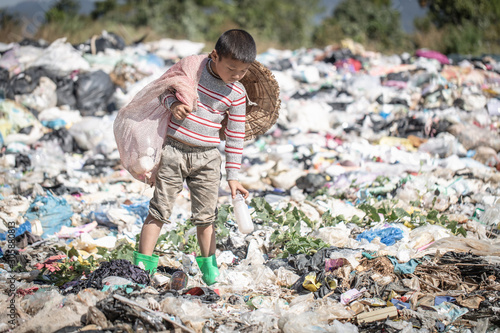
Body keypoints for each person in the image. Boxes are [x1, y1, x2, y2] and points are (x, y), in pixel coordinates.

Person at [133, 29, 255, 285]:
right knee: (158, 210)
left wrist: (233, 177)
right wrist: (174, 105)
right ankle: (141, 269)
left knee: (206, 217)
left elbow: (234, 137)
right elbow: (163, 91)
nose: (236, 76)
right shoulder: (192, 72)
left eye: (242, 71)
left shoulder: (237, 94)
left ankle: (210, 273)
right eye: (231, 69)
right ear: (215, 56)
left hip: (208, 159)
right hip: (174, 151)